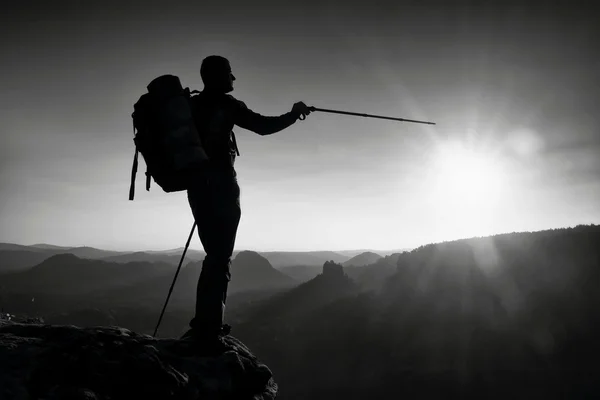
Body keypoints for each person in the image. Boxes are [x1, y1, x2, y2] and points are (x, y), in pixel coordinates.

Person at [183, 55, 311, 340]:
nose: (234, 78)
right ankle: (209, 327)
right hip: (222, 186)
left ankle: (205, 322)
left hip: (197, 187)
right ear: (218, 76)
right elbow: (264, 126)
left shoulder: (190, 105)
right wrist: (294, 114)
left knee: (213, 255)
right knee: (221, 257)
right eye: (230, 73)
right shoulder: (227, 106)